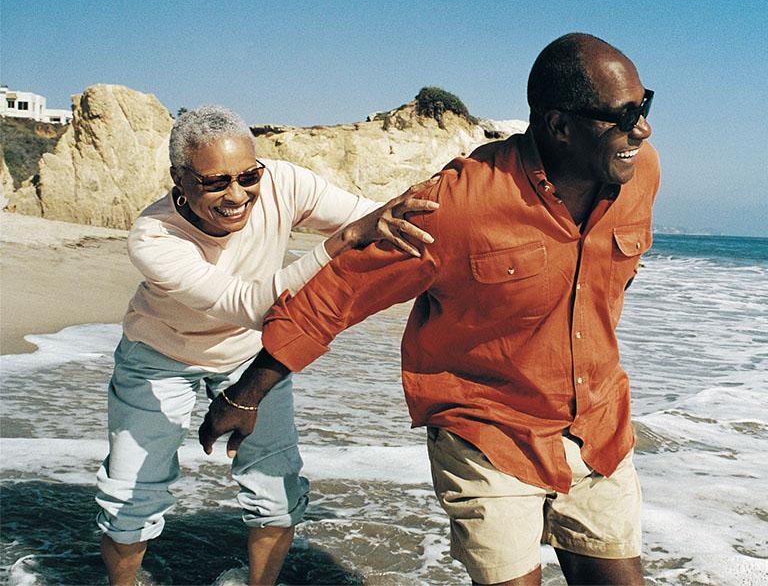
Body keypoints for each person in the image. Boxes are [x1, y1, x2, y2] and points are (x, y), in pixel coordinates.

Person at [200, 33, 659, 586]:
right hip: (488, 435)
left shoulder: (638, 174)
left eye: (645, 105)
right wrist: (245, 395)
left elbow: (610, 281)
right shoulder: (458, 204)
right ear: (560, 125)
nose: (642, 128)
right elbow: (337, 295)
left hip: (598, 427)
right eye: (623, 115)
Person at [95, 105, 437, 586]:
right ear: (180, 178)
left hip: (251, 357)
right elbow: (249, 304)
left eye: (248, 176)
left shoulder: (284, 183)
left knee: (275, 489)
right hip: (159, 359)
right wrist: (342, 242)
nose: (237, 196)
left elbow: (371, 220)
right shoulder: (153, 237)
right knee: (131, 493)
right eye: (215, 183)